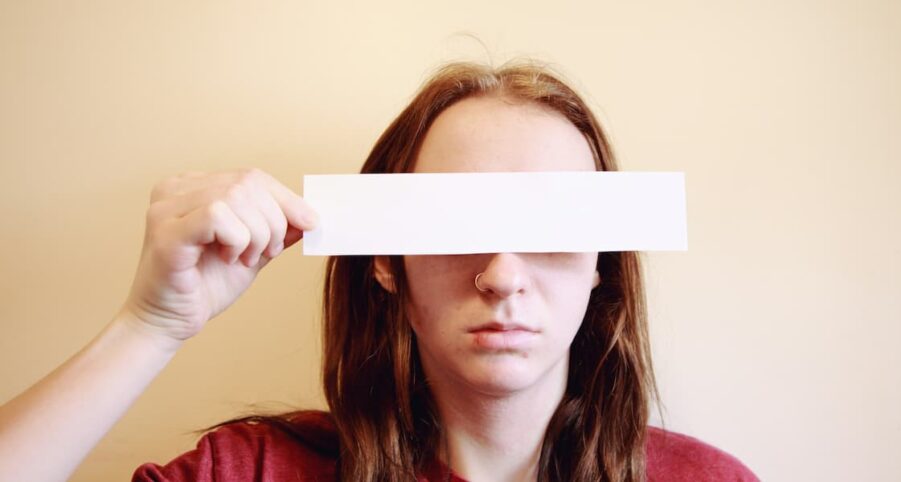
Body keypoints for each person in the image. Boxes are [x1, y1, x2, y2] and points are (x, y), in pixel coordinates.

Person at [0, 61, 758, 482]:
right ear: (388, 263)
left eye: (551, 227)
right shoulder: (254, 473)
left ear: (601, 264)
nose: (502, 275)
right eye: (453, 223)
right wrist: (149, 326)